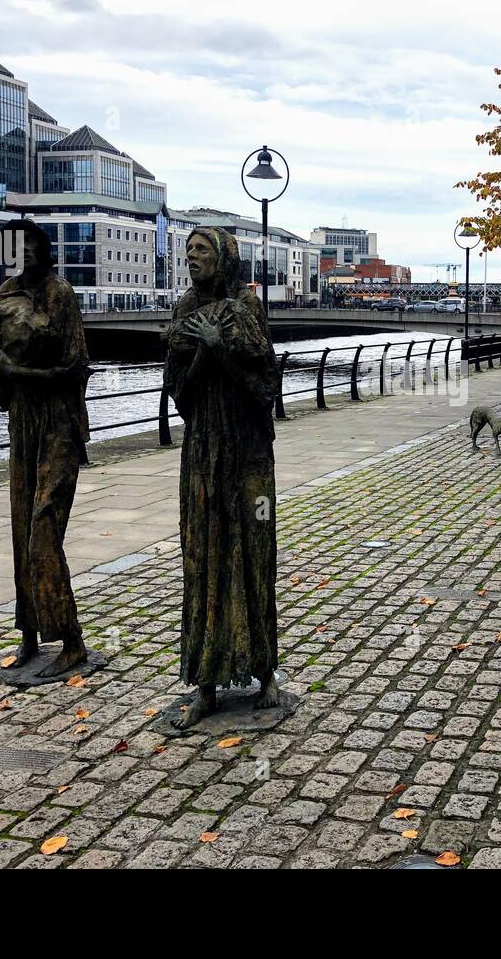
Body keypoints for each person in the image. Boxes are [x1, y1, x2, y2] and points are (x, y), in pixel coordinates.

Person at [164, 228, 280, 725]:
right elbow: (180, 395)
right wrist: (204, 354)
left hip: (248, 451)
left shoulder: (247, 308)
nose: (192, 258)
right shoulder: (186, 307)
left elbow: (264, 389)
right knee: (203, 556)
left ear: (224, 258)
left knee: (254, 554)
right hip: (204, 449)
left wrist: (226, 354)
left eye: (202, 251)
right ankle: (206, 683)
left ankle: (266, 672)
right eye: (188, 252)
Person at [0, 219, 89, 677]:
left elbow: (77, 367)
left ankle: (72, 641)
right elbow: (0, 356)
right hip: (23, 421)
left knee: (43, 528)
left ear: (43, 248)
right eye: (13, 246)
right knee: (21, 526)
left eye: (28, 245)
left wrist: (21, 375)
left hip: (58, 423)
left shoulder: (60, 294)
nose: (21, 254)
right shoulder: (6, 290)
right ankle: (28, 636)